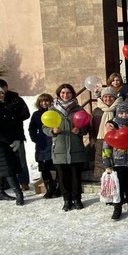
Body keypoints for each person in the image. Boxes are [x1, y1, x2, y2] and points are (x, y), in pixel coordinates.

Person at [44, 83, 89, 211]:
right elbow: (44, 128)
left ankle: (77, 199)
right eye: (63, 93)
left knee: (76, 177)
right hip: (59, 150)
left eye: (68, 93)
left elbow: (86, 126)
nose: (65, 95)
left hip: (76, 149)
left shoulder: (79, 109)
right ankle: (67, 200)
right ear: (59, 94)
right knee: (63, 178)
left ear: (72, 94)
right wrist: (53, 131)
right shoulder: (52, 110)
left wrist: (79, 131)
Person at [0, 78, 31, 190]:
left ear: (6, 87)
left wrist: (12, 118)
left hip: (16, 133)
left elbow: (26, 114)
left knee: (20, 159)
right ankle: (5, 183)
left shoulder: (16, 99)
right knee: (3, 160)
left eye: (2, 90)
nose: (0, 93)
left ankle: (24, 182)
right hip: (2, 136)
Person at [29, 92, 59, 198]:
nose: (44, 103)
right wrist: (35, 139)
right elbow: (31, 128)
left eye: (47, 101)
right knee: (44, 167)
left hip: (55, 140)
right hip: (42, 142)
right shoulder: (36, 114)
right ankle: (49, 188)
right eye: (42, 101)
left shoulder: (56, 112)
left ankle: (58, 188)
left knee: (56, 165)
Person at [92, 86, 121, 179]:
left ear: (115, 98)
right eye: (105, 97)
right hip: (100, 142)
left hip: (116, 142)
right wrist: (93, 142)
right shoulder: (97, 111)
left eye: (111, 96)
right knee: (102, 168)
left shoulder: (119, 111)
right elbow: (91, 128)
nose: (108, 99)